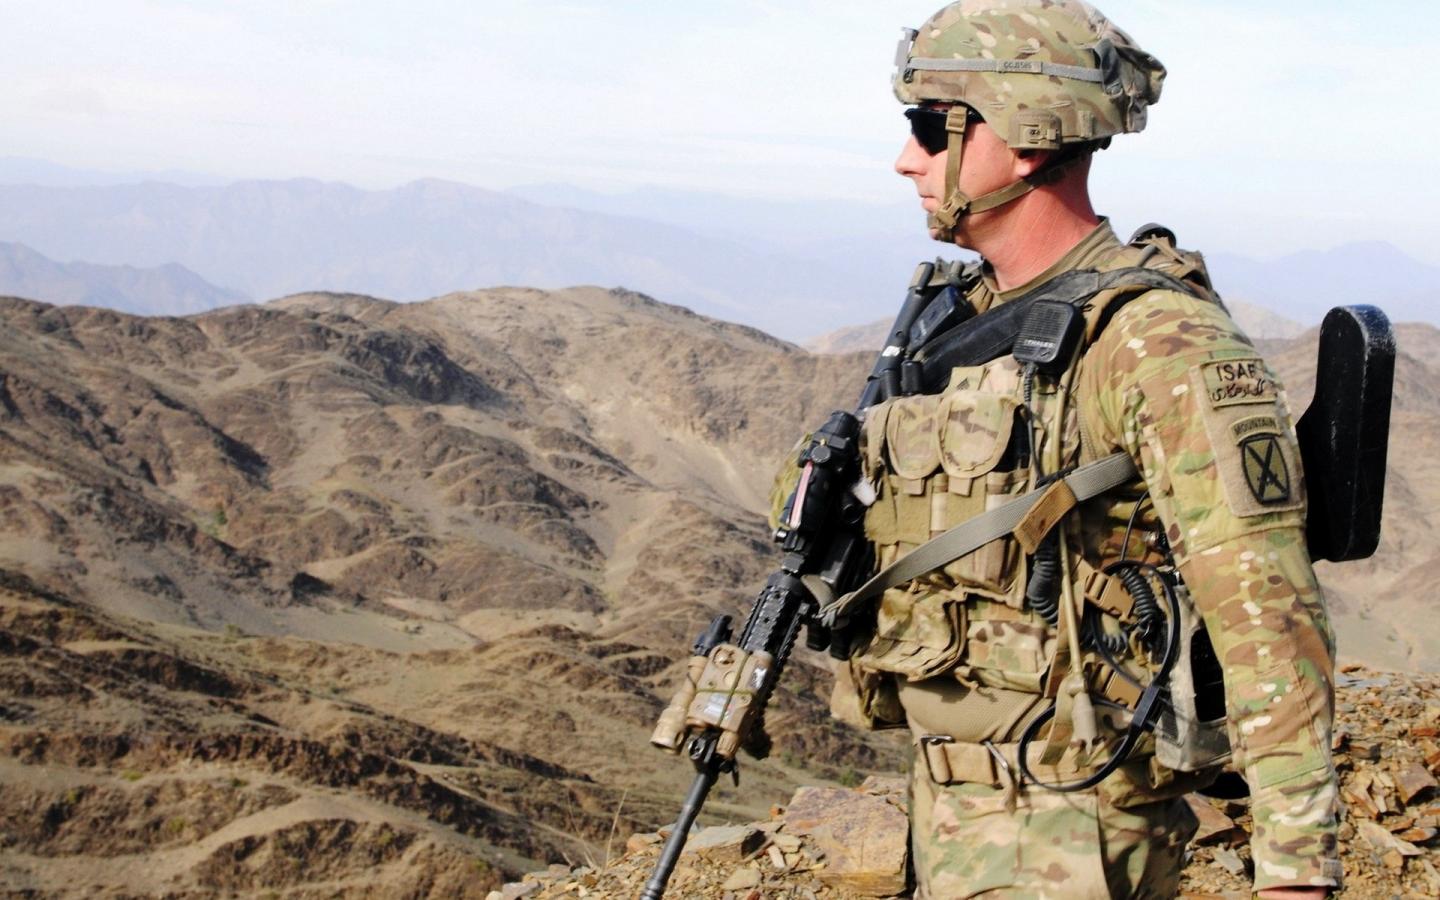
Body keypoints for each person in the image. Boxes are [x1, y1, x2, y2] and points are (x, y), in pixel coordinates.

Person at [831, 1, 1343, 896]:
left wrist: (1295, 868)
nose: (906, 158)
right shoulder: (966, 317)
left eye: (931, 127)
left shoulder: (1156, 341)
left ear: (1026, 140)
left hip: (1071, 833)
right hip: (956, 811)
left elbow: (1267, 612)